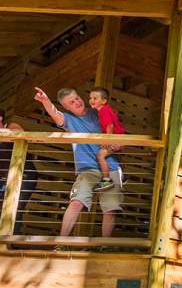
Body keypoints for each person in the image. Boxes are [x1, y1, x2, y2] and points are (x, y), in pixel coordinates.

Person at [33, 86, 123, 238]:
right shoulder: (69, 120)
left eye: (77, 98)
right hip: (87, 170)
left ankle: (104, 246)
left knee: (110, 209)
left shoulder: (98, 111)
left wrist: (117, 144)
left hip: (111, 166)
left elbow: (117, 133)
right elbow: (56, 114)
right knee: (76, 202)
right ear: (66, 107)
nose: (77, 102)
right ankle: (60, 243)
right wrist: (46, 101)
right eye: (71, 102)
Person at [0, 108, 38, 235]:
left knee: (15, 207)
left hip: (25, 174)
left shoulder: (10, 126)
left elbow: (21, 133)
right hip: (5, 178)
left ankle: (9, 244)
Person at [88, 87, 125, 193]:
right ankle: (122, 176)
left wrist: (107, 140)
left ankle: (106, 180)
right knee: (110, 155)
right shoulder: (104, 110)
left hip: (116, 139)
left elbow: (110, 126)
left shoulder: (103, 110)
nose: (92, 100)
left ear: (104, 101)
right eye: (90, 98)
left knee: (100, 155)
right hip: (119, 139)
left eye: (95, 98)